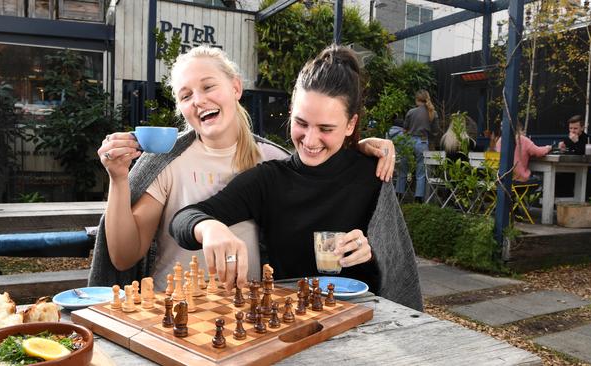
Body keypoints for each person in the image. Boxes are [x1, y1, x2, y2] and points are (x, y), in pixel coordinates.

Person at [88, 46, 397, 290]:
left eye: (208, 86)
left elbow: (389, 257)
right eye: (185, 95)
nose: (198, 100)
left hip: (257, 309)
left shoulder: (272, 158)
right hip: (178, 303)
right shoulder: (169, 163)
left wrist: (356, 147)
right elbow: (129, 253)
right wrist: (119, 178)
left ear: (236, 87)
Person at [170, 45, 423, 311]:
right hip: (292, 321)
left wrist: (369, 253)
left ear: (350, 124)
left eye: (326, 128)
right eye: (302, 123)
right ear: (291, 111)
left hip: (362, 319)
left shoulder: (371, 173)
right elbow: (183, 219)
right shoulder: (268, 180)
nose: (310, 140)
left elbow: (395, 271)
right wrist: (209, 227)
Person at [395, 90, 440, 203]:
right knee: (421, 172)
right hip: (423, 142)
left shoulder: (411, 112)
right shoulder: (433, 113)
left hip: (408, 141)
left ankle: (399, 195)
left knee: (403, 169)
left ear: (417, 100)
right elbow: (435, 131)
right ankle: (418, 198)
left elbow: (405, 129)